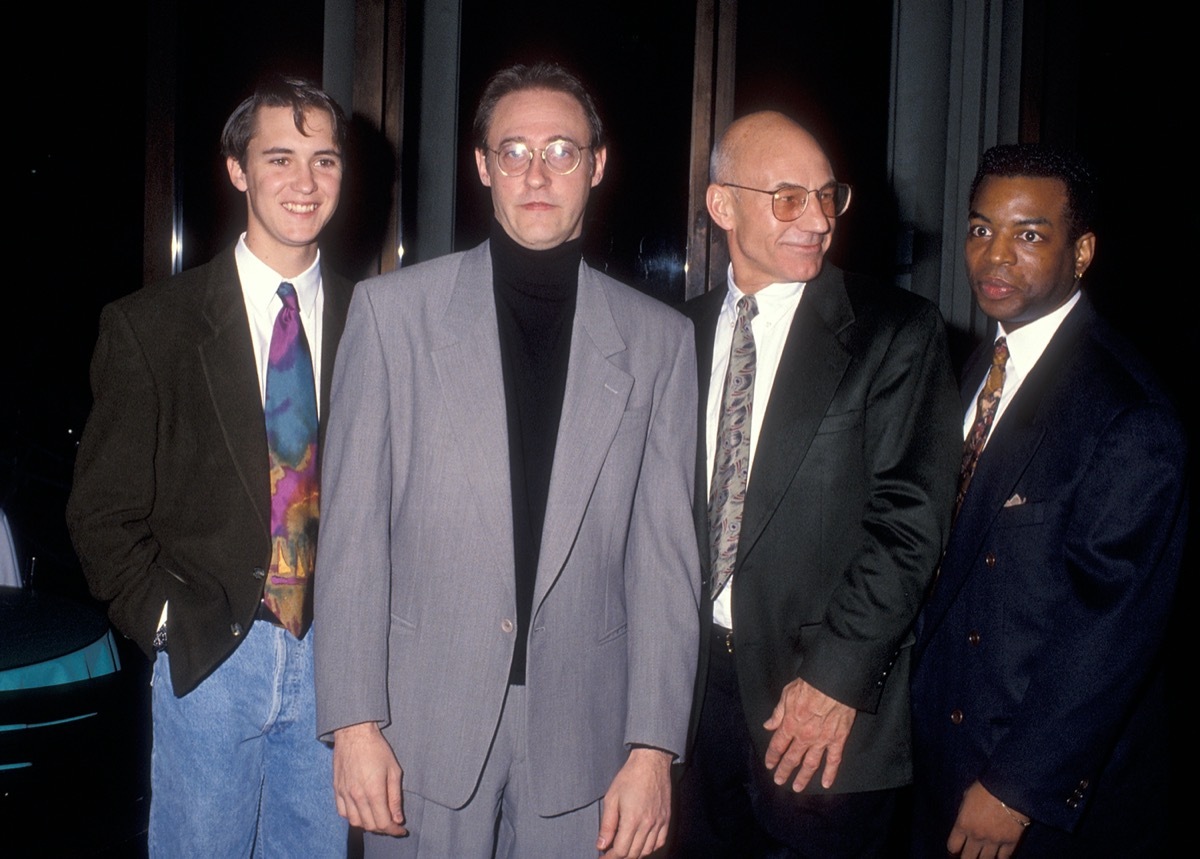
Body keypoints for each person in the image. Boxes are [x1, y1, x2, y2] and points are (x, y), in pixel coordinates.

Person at [313, 62, 700, 859]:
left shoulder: (660, 342)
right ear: (483, 166)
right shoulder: (392, 316)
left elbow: (664, 565)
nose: (537, 173)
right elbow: (351, 538)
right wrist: (353, 723)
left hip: (587, 734)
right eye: (514, 151)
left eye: (562, 151)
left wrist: (653, 748)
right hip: (419, 724)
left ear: (597, 165)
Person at [66, 76, 352, 856]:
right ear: (237, 169)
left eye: (324, 160)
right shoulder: (153, 326)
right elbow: (101, 515)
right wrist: (169, 626)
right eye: (280, 157)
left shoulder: (376, 323)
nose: (304, 181)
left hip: (337, 663)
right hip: (212, 656)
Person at [673, 111, 961, 858]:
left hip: (820, 712)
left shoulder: (895, 331)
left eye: (829, 195)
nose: (819, 220)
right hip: (688, 704)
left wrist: (836, 679)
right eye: (789, 198)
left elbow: (910, 523)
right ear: (722, 205)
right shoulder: (673, 334)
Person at [910, 144, 1187, 858]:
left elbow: (1110, 632)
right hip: (945, 761)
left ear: (1082, 251)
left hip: (1034, 800)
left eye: (1028, 234)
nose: (995, 255)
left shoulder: (1125, 411)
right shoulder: (980, 367)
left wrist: (1017, 787)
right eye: (981, 229)